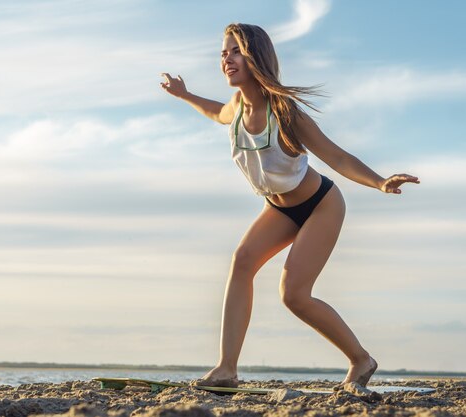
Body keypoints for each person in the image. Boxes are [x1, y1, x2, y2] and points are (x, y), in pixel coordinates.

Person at [159, 23, 420, 389]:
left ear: (255, 57)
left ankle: (362, 359)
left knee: (294, 295)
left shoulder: (284, 112)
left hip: (320, 204)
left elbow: (335, 156)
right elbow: (216, 112)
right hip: (279, 208)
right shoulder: (235, 108)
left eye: (235, 51)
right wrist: (184, 95)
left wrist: (379, 182)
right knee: (242, 261)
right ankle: (227, 369)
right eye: (223, 52)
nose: (226, 58)